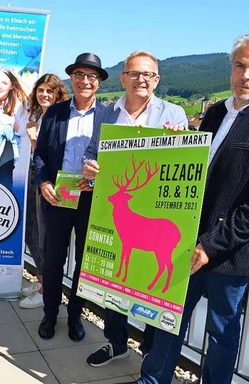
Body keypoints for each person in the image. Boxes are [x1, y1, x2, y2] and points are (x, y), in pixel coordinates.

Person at [124, 34, 249, 384]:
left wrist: (211, 245)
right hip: (187, 243)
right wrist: (178, 145)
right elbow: (198, 173)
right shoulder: (215, 112)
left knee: (221, 336)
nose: (246, 76)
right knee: (168, 320)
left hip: (230, 254)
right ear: (231, 69)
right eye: (240, 66)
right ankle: (151, 380)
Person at [82, 50, 188, 367]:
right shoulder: (106, 114)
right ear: (123, 78)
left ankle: (152, 352)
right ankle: (116, 343)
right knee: (116, 276)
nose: (141, 80)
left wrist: (181, 142)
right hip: (115, 214)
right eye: (134, 74)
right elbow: (90, 154)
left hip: (154, 214)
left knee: (148, 278)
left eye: (148, 75)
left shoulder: (174, 115)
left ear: (156, 80)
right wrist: (89, 169)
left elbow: (185, 163)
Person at [33, 53, 109, 341]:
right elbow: (40, 156)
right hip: (58, 196)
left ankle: (75, 314)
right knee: (53, 260)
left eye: (91, 76)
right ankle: (50, 313)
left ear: (99, 83)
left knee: (85, 263)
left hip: (92, 199)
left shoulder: (108, 117)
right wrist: (43, 183)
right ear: (72, 79)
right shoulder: (54, 113)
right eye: (79, 74)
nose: (85, 81)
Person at [20, 73, 68, 309]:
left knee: (42, 234)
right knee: (30, 232)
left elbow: (54, 156)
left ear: (58, 93)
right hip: (30, 178)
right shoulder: (36, 114)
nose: (45, 95)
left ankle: (45, 288)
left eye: (50, 91)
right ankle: (41, 279)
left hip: (48, 182)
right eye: (41, 90)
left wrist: (35, 141)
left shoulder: (61, 118)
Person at [0, 68, 29, 187]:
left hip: (10, 154)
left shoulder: (20, 105)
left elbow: (25, 130)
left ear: (12, 86)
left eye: (4, 83)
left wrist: (10, 121)